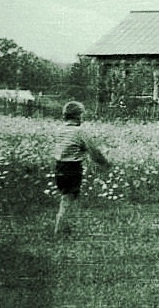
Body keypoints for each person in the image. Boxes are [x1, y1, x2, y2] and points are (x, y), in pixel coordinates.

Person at [53, 101, 109, 236]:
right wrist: (105, 163)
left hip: (59, 167)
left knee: (65, 197)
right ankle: (60, 230)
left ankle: (64, 228)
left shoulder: (60, 130)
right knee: (68, 199)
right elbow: (94, 152)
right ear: (78, 116)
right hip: (72, 168)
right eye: (81, 115)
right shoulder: (79, 132)